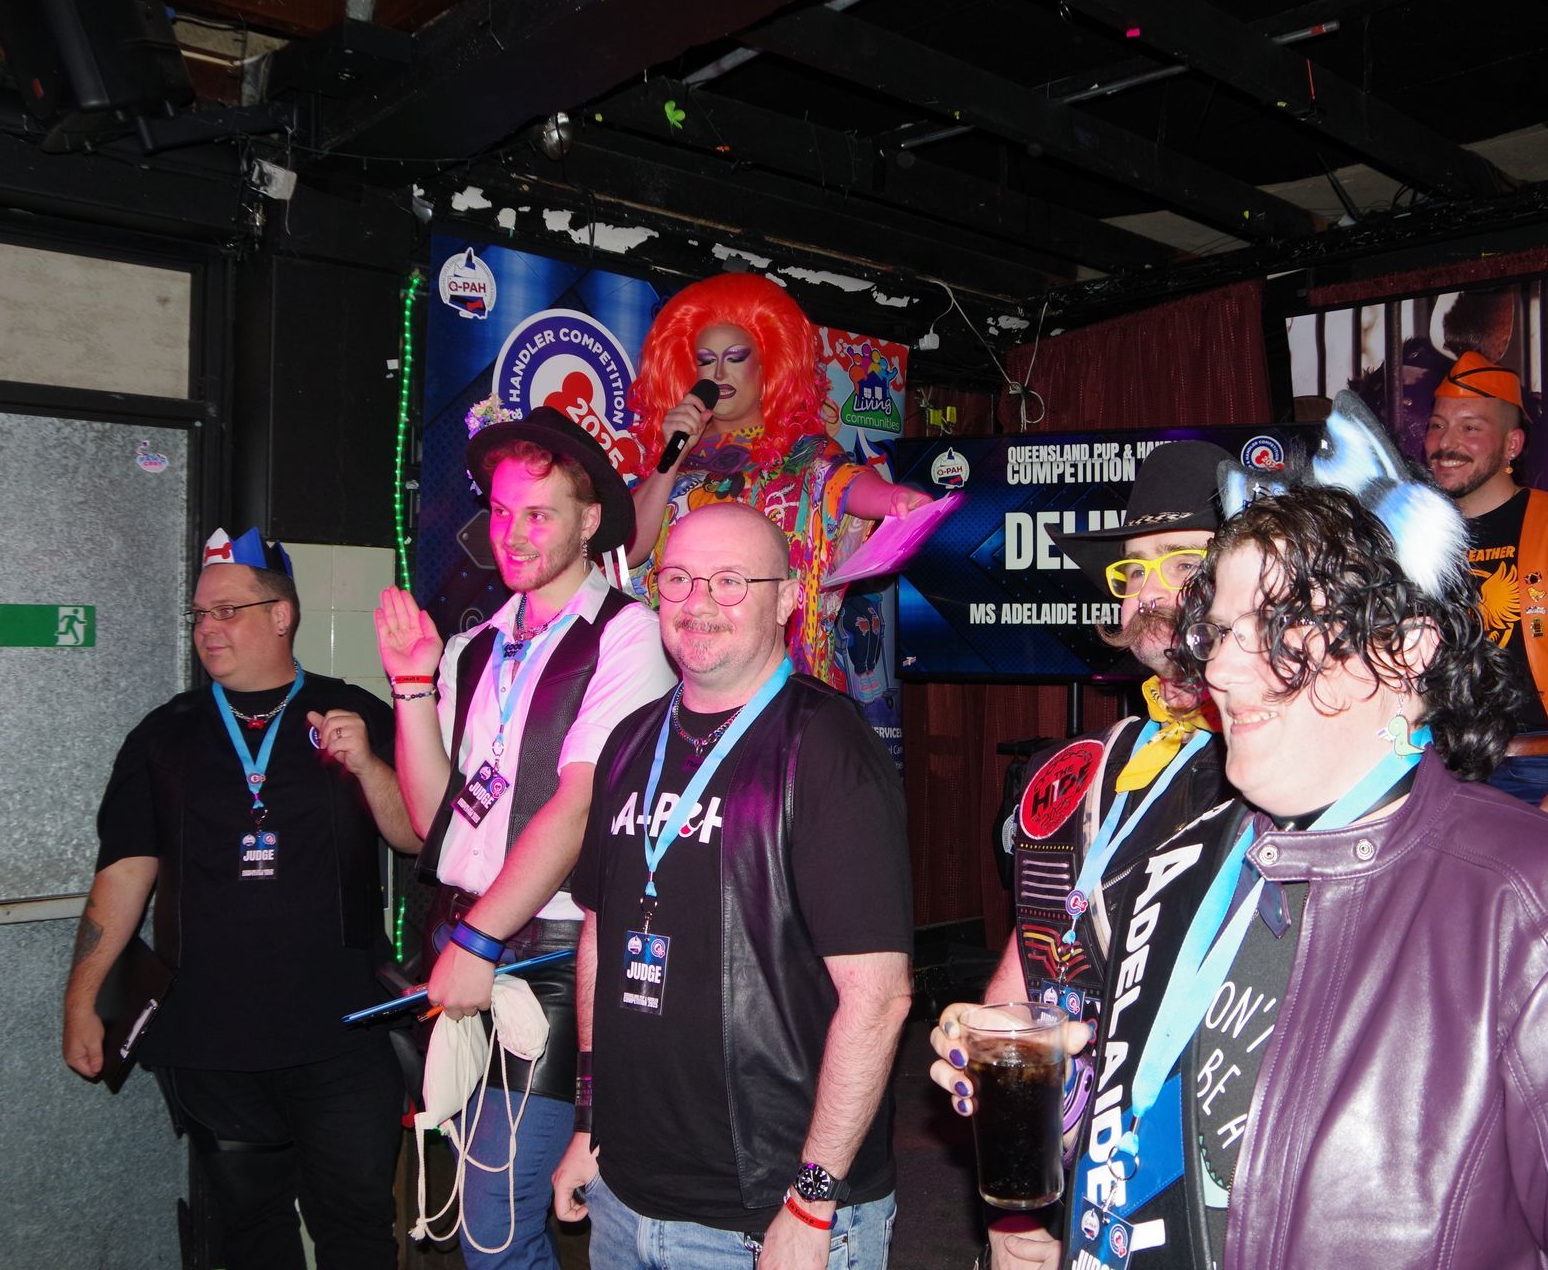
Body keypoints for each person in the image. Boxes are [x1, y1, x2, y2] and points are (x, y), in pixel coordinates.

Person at [941, 396, 1548, 1268]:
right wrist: (1065, 1090)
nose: (1218, 665)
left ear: (1404, 646)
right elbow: (1178, 1127)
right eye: (1220, 631)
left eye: (1274, 625)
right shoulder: (1186, 865)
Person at [554, 501, 914, 1269]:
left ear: (785, 601)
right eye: (678, 580)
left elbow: (878, 999)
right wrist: (589, 1122)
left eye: (729, 581)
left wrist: (811, 1200)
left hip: (767, 1215)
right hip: (625, 1197)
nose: (699, 602)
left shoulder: (826, 747)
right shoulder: (629, 743)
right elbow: (599, 938)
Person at [63, 527, 422, 1270]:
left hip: (343, 1037)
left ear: (281, 615)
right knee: (250, 1235)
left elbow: (417, 836)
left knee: (356, 1230)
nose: (208, 628)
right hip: (213, 1039)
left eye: (227, 610)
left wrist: (368, 766)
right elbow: (124, 873)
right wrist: (81, 1000)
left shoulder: (352, 711)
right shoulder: (166, 734)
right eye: (199, 614)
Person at [376, 405, 674, 1269]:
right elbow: (434, 822)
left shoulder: (628, 634)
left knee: (495, 1218)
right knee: (488, 1217)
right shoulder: (472, 647)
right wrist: (412, 686)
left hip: (554, 956)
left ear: (589, 523)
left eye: (539, 514)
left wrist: (479, 939)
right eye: (503, 511)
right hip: (465, 940)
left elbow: (576, 808)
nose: (513, 533)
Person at [927, 440, 1238, 1269]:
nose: (1152, 591)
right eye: (1135, 569)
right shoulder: (1089, 765)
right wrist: (1017, 1214)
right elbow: (1035, 968)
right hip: (1091, 1191)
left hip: (1221, 1195)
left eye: (1184, 562)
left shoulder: (1281, 769)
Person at [623, 273, 931, 690]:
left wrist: (895, 499)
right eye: (706, 361)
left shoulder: (800, 454)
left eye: (735, 357)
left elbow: (842, 483)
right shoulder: (675, 464)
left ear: (767, 365)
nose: (719, 372)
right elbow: (628, 548)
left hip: (782, 684)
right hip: (689, 673)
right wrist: (671, 459)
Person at [1424, 350, 1548, 825]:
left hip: (1538, 769)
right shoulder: (1415, 535)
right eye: (1437, 426)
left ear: (1512, 445)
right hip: (1432, 765)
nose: (1446, 443)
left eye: (1470, 428)